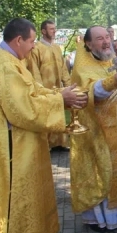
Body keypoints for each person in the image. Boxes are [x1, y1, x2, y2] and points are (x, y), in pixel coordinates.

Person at [0, 18, 85, 233]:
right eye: (32, 41)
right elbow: (23, 108)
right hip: (14, 146)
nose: (34, 46)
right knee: (18, 197)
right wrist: (59, 99)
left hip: (23, 141)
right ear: (18, 40)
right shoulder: (5, 65)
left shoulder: (10, 60)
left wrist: (58, 96)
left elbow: (33, 89)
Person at [70, 25, 117, 232]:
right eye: (99, 38)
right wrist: (113, 81)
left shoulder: (112, 60)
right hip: (97, 131)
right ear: (89, 43)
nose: (106, 41)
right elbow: (91, 92)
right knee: (102, 170)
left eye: (107, 37)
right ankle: (101, 219)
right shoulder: (82, 66)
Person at [26, 19, 71, 150]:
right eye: (51, 29)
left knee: (58, 111)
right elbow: (34, 70)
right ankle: (47, 143)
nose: (54, 31)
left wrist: (68, 84)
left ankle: (60, 142)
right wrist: (40, 89)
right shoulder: (36, 48)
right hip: (45, 88)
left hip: (58, 87)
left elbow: (63, 68)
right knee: (46, 114)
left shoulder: (57, 47)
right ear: (43, 31)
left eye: (54, 28)